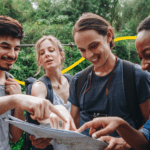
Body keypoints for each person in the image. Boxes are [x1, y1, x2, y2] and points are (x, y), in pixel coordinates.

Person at [67, 12, 150, 150]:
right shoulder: (78, 80)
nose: (89, 55)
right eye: (82, 50)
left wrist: (124, 141)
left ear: (109, 35)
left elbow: (147, 129)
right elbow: (72, 127)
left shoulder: (137, 76)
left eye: (93, 46)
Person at [0, 16, 66, 150]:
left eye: (16, 49)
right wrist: (16, 99)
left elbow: (14, 137)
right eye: (5, 47)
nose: (12, 55)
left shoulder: (10, 82)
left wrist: (17, 103)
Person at [28, 35, 76, 150]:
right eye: (42, 53)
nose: (47, 55)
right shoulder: (39, 86)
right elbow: (40, 115)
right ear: (40, 61)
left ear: (61, 54)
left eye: (51, 50)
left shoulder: (72, 81)